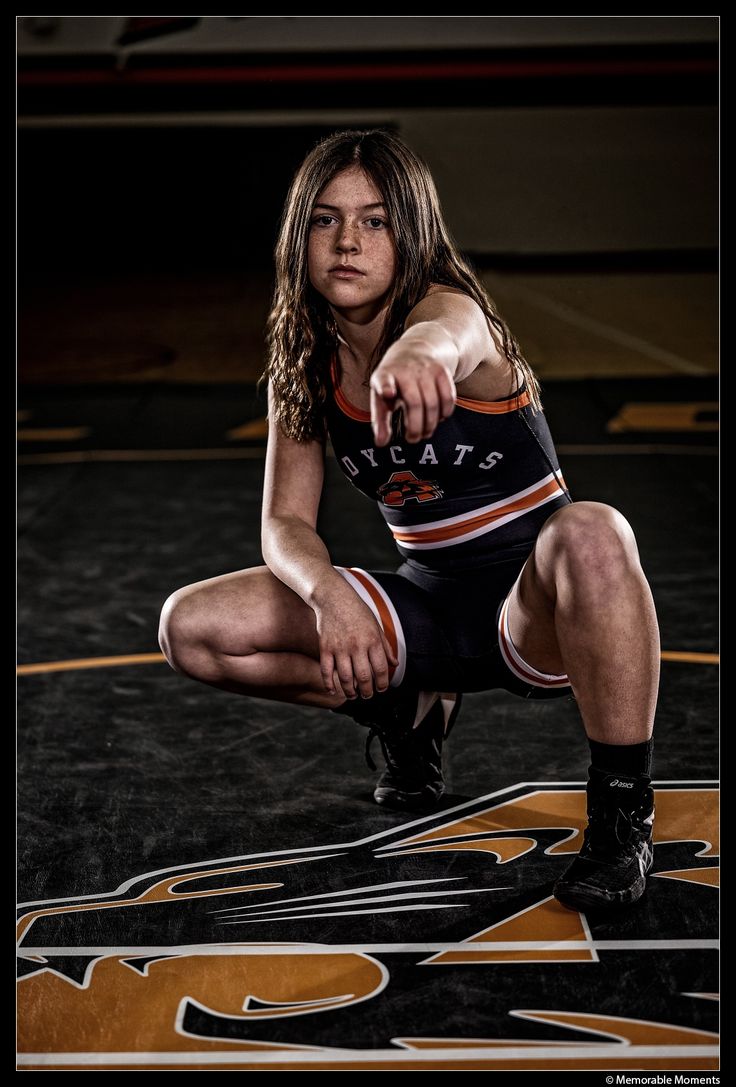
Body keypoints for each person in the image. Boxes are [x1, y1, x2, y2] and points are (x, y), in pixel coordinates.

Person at [158, 129, 660, 911]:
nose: (348, 241)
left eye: (375, 221)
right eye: (325, 220)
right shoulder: (305, 364)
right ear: (299, 237)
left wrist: (419, 354)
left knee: (593, 530)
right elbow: (285, 523)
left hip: (531, 612)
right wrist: (329, 595)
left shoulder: (456, 318)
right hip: (424, 609)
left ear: (413, 233)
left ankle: (622, 813)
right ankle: (404, 707)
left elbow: (449, 332)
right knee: (189, 627)